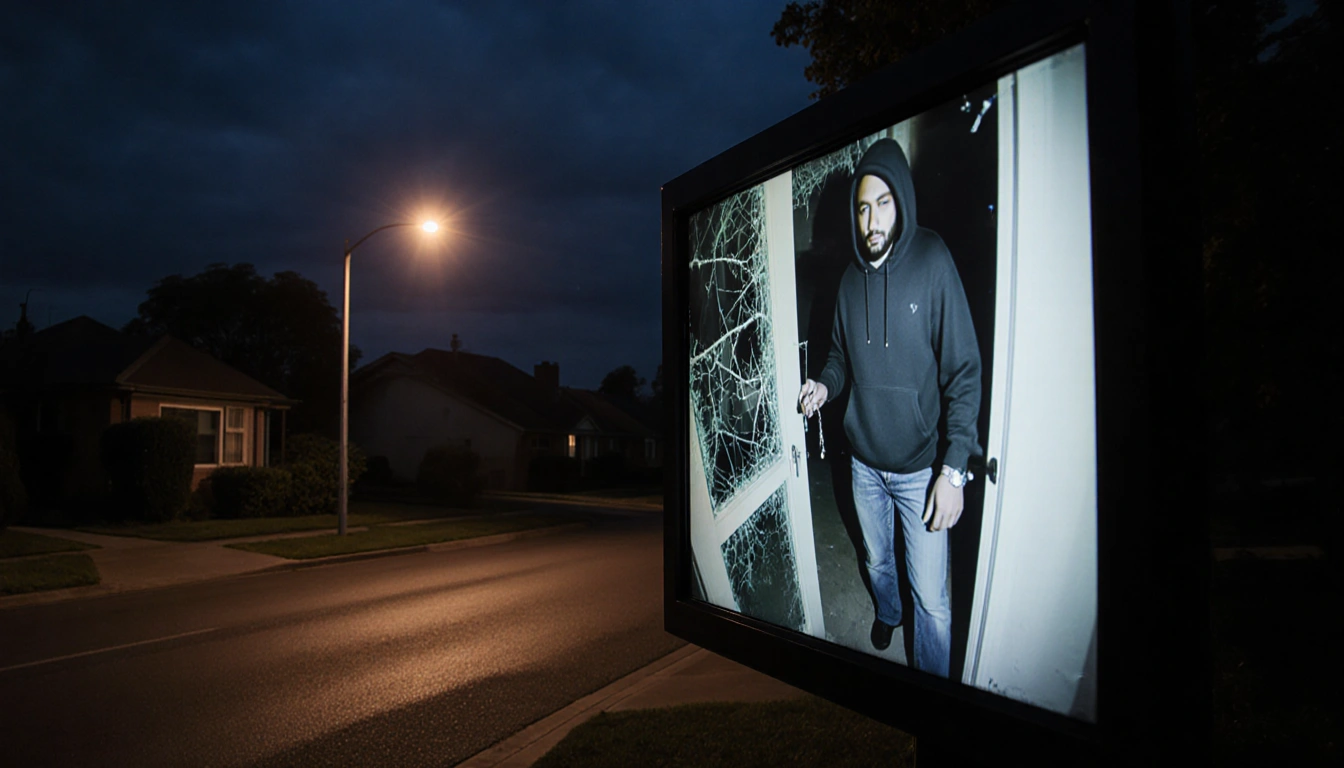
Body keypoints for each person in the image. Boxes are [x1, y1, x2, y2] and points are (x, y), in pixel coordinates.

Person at [798, 138, 981, 677]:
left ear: (900, 200)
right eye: (862, 206)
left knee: (934, 601)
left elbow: (963, 369)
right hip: (863, 466)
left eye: (882, 203)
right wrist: (824, 387)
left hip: (921, 470)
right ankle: (886, 611)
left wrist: (954, 470)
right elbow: (838, 356)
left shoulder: (932, 259)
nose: (871, 219)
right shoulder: (850, 280)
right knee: (877, 561)